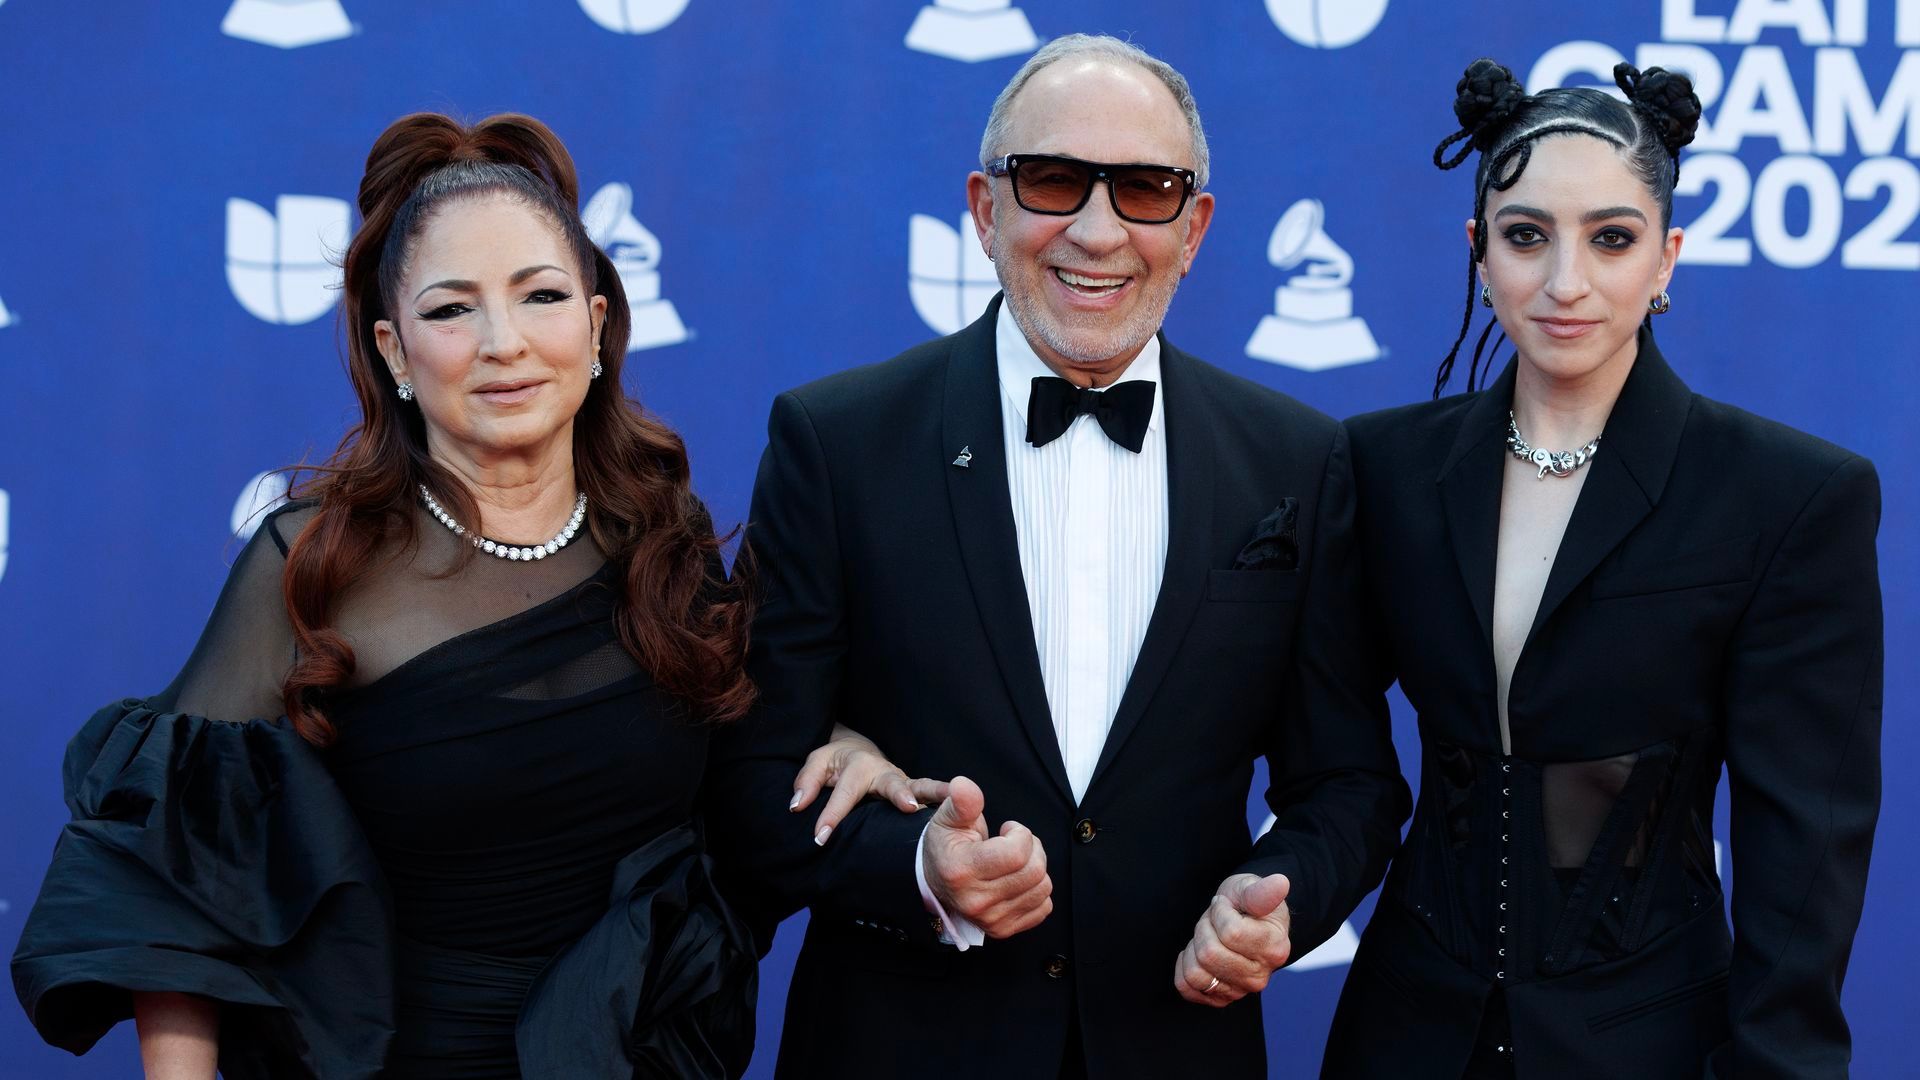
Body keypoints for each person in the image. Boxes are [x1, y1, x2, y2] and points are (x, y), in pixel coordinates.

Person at [10, 112, 930, 1080]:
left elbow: (740, 789)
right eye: (452, 310)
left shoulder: (667, 543)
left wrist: (844, 743)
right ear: (395, 350)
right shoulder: (313, 564)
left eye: (540, 296)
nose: (504, 343)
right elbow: (176, 884)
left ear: (597, 322)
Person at [740, 34, 1409, 1080]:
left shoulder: (1295, 460)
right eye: (1053, 181)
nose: (1097, 232)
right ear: (983, 207)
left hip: (1177, 1044)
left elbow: (1350, 785)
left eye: (1146, 190)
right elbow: (749, 782)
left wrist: (1279, 898)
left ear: (1195, 229)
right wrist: (918, 864)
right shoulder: (839, 444)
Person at [1322, 60, 1883, 1079]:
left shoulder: (1787, 495)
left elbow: (1805, 839)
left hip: (1652, 1039)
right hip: (1405, 1032)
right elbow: (1336, 764)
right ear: (1479, 253)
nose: (1565, 281)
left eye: (1611, 238)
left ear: (1666, 259)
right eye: (1527, 235)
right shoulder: (1380, 467)